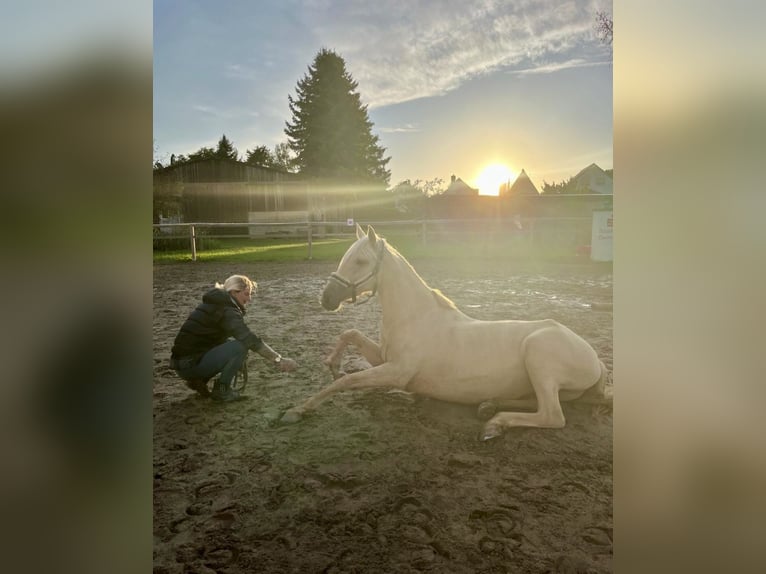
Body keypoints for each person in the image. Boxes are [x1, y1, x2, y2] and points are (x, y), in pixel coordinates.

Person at [169, 274, 298, 402]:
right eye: (246, 294)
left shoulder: (215, 304)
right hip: (190, 366)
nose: (249, 299)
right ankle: (222, 391)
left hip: (182, 364)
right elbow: (250, 340)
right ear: (234, 292)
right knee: (240, 346)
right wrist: (278, 360)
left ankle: (199, 380)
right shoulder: (227, 310)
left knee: (231, 344)